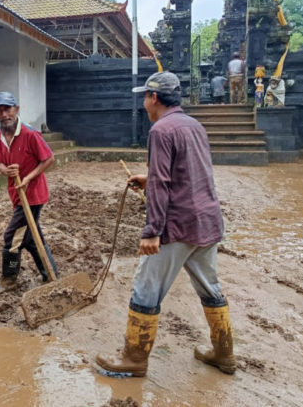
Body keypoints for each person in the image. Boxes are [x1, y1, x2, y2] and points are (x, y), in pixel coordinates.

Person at [96, 72, 236, 378]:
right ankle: (224, 353)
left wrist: (152, 231)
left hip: (178, 225)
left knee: (146, 287)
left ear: (154, 98)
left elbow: (161, 183)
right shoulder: (194, 125)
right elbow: (189, 171)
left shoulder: (160, 130)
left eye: (145, 97)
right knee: (210, 286)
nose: (144, 103)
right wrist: (149, 178)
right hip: (207, 221)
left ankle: (134, 357)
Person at [0, 91, 58, 294]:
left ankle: (9, 278)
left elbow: (49, 158)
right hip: (17, 194)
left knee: (12, 237)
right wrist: (5, 170)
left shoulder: (30, 134)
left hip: (32, 195)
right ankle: (51, 274)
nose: (4, 114)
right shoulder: (1, 136)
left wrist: (28, 178)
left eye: (8, 109)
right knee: (31, 239)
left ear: (16, 109)